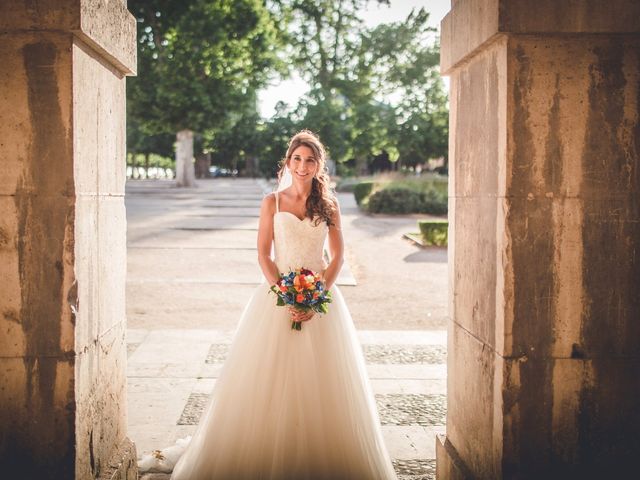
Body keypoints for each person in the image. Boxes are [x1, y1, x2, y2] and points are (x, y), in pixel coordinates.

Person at [156, 130, 397, 479]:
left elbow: (338, 255)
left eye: (310, 160)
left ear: (318, 165)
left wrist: (317, 297)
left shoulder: (329, 204)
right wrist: (286, 295)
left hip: (321, 302)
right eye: (297, 159)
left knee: (325, 383)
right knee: (265, 382)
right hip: (276, 299)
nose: (302, 166)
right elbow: (263, 254)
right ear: (288, 162)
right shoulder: (273, 202)